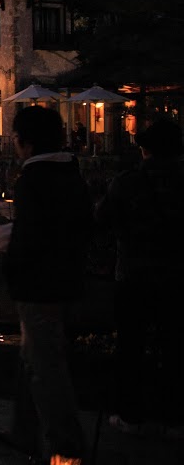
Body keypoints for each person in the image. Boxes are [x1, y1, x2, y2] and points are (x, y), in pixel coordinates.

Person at [0, 105, 91, 465]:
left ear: (25, 141)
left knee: (45, 365)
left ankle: (67, 444)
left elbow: (34, 237)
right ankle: (23, 432)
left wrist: (6, 242)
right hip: (64, 278)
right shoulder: (70, 174)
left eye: (15, 137)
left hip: (39, 285)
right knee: (31, 359)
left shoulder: (35, 178)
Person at [95, 120, 184, 437]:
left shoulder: (128, 183)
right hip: (175, 276)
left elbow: (101, 221)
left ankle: (130, 414)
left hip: (134, 275)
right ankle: (174, 414)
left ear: (145, 149)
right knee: (174, 345)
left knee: (130, 346)